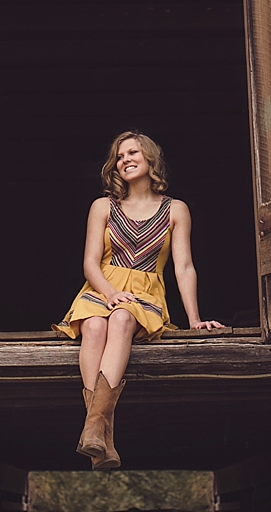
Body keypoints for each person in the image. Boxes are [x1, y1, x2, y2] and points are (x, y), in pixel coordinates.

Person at [54, 131, 225, 469]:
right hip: (101, 287)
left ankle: (95, 429)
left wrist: (194, 320)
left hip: (144, 296)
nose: (125, 160)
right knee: (92, 325)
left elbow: (185, 267)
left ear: (150, 160)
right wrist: (110, 292)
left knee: (119, 319)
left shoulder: (175, 210)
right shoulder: (103, 206)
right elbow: (89, 262)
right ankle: (101, 436)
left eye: (132, 153)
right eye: (119, 156)